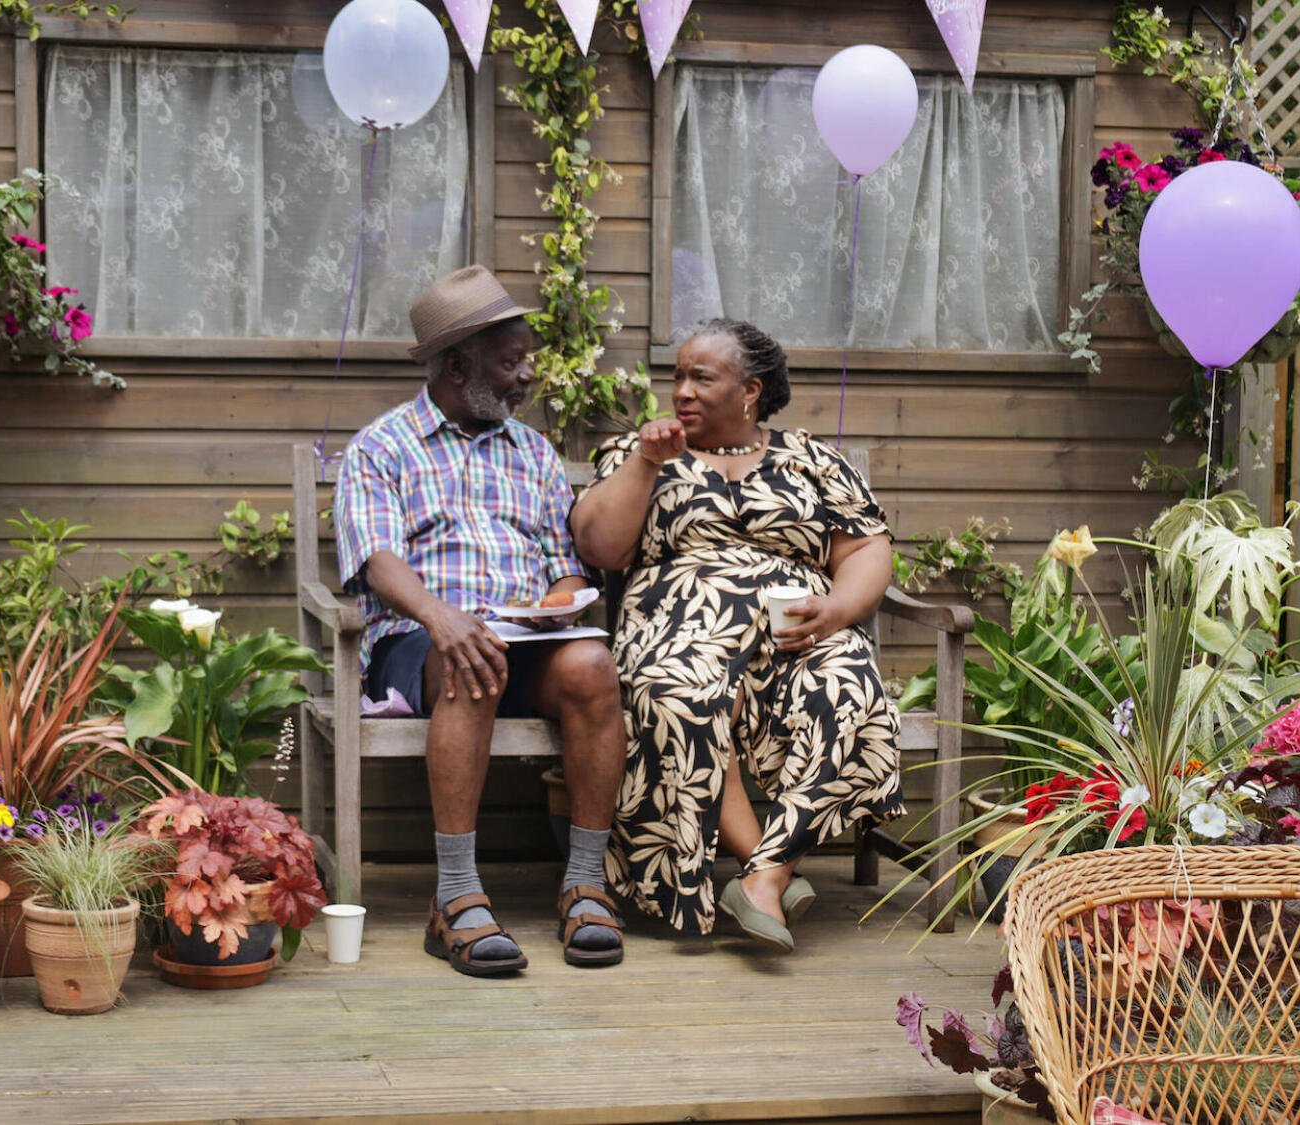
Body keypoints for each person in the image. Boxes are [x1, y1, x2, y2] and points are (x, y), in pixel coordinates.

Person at [569, 317, 903, 951]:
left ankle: (761, 878)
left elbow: (866, 550)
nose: (683, 391)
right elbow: (601, 547)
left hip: (794, 630)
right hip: (676, 626)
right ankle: (769, 872)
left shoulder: (811, 459)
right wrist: (645, 463)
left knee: (848, 686)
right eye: (678, 377)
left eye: (702, 377)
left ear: (750, 390)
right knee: (679, 690)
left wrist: (834, 612)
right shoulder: (636, 453)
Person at [334, 265, 628, 977]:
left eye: (527, 358)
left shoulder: (532, 451)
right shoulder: (382, 446)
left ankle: (585, 881)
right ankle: (456, 897)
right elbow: (378, 561)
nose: (528, 375)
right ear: (458, 365)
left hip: (531, 638)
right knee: (472, 657)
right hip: (422, 640)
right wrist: (443, 618)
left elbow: (563, 562)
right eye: (511, 361)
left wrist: (565, 602)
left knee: (593, 666)